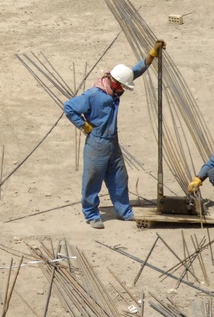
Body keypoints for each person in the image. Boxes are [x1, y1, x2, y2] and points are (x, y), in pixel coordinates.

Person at [64, 40, 165, 229]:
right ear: (114, 82)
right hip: (97, 143)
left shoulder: (114, 89)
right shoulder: (94, 94)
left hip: (112, 142)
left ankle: (124, 211)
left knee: (119, 177)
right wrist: (83, 126)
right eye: (123, 87)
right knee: (93, 178)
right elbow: (69, 107)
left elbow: (134, 72)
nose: (124, 90)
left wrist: (151, 55)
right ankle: (91, 213)